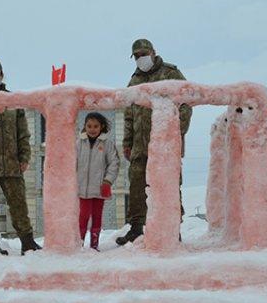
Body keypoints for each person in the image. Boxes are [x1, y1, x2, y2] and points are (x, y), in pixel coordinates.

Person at [116, 39, 192, 246]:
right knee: (137, 186)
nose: (141, 58)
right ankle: (136, 228)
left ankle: (173, 229)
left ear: (153, 52)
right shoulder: (134, 80)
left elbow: (186, 103)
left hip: (165, 146)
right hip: (139, 146)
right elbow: (129, 113)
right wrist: (127, 142)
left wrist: (175, 133)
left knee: (169, 186)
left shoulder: (170, 73)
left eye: (143, 53)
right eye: (137, 56)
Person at [0, 57, 42, 256]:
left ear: (2, 75)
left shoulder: (14, 102)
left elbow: (23, 133)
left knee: (19, 204)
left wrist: (24, 157)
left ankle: (27, 241)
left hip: (11, 163)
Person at [76, 112, 119, 250]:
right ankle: (79, 244)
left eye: (96, 126)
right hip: (82, 189)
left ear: (102, 127)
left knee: (97, 216)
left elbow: (114, 163)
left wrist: (107, 181)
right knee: (83, 216)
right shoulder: (78, 143)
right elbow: (72, 162)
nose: (92, 129)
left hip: (100, 188)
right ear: (85, 126)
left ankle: (94, 245)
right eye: (89, 126)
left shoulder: (107, 144)